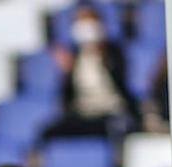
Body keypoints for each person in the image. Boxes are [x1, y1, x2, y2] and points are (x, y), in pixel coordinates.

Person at [42, 5, 137, 142]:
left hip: (110, 112)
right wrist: (66, 73)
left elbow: (121, 82)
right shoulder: (74, 55)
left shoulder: (114, 52)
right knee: (49, 132)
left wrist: (102, 58)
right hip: (83, 114)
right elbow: (66, 97)